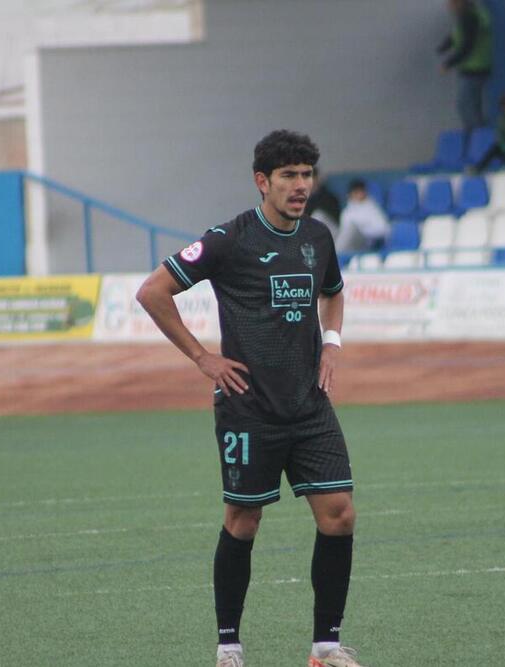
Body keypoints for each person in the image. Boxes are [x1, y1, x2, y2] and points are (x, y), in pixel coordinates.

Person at [136, 130, 364, 667]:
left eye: (307, 175)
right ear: (263, 182)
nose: (300, 185)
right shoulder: (229, 239)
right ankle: (229, 647)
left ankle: (326, 649)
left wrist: (331, 344)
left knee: (340, 515)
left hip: (309, 404)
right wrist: (202, 358)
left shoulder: (317, 237)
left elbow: (333, 291)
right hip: (248, 407)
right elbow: (153, 291)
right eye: (288, 175)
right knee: (243, 521)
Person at [437, 0, 493, 132]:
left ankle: (477, 136)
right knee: (474, 106)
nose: (449, 7)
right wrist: (445, 45)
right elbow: (458, 34)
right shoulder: (471, 15)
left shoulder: (469, 17)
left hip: (474, 68)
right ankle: (479, 135)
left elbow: (467, 45)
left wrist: (448, 63)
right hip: (477, 67)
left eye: (451, 3)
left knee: (465, 106)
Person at [335, 179, 391, 253]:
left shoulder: (371, 207)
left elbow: (384, 229)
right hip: (349, 245)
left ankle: (334, 256)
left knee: (352, 228)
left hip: (367, 243)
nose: (359, 194)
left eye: (360, 191)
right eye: (356, 192)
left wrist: (362, 228)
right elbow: (344, 232)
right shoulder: (347, 211)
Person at [305, 167, 343, 236]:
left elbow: (336, 219)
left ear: (316, 178)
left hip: (333, 231)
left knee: (318, 215)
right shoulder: (303, 198)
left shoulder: (328, 196)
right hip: (313, 236)